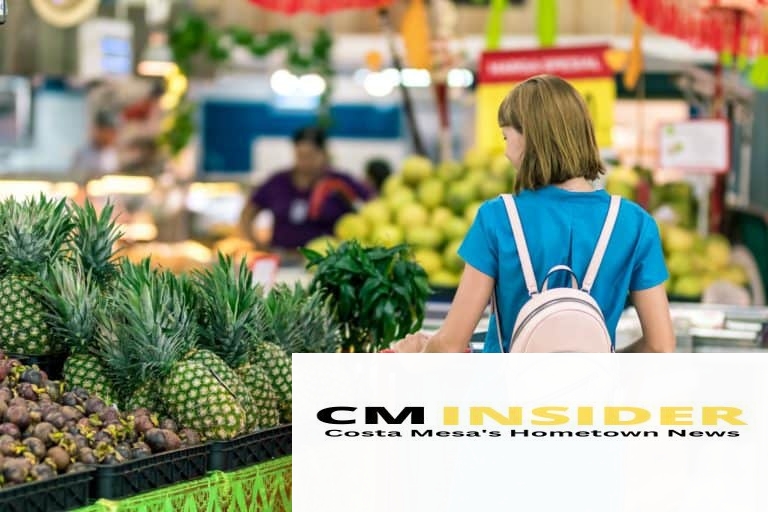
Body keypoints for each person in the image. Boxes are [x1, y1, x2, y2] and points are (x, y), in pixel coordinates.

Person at [392, 74, 675, 353]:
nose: (505, 152)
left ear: (530, 138)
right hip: (593, 397)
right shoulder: (635, 224)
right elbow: (661, 347)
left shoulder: (498, 218)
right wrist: (601, 366)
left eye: (506, 137)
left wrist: (415, 354)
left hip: (505, 396)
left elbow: (451, 345)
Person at [239, 126, 373, 251]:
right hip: (282, 259)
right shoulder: (278, 182)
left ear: (324, 154)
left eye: (310, 156)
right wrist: (257, 245)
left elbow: (372, 206)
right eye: (300, 156)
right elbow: (248, 213)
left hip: (328, 263)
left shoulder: (340, 182)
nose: (305, 162)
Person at [70, 110, 120, 184]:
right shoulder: (83, 153)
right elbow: (75, 180)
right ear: (98, 130)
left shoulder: (114, 154)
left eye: (112, 132)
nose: (110, 136)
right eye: (107, 132)